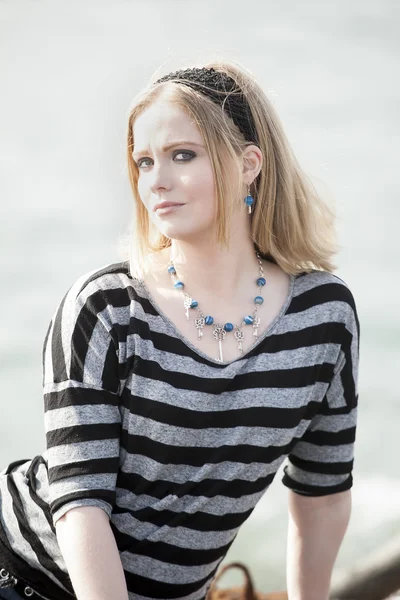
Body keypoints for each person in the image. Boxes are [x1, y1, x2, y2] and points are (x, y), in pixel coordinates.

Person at [0, 61, 360, 600]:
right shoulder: (106, 309)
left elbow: (323, 495)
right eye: (144, 162)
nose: (156, 181)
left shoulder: (325, 318)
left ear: (248, 165)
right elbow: (81, 508)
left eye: (182, 155)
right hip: (29, 579)